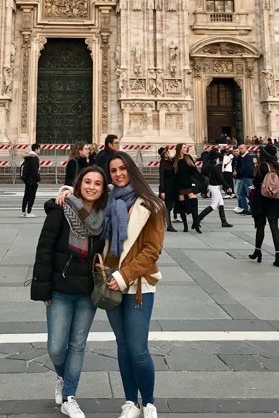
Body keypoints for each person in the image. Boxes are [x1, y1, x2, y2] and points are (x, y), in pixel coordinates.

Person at [31, 166, 108, 418]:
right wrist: (43, 289)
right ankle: (63, 377)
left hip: (87, 290)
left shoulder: (104, 216)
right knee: (55, 348)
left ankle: (69, 396)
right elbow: (44, 251)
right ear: (79, 183)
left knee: (77, 345)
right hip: (61, 289)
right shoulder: (60, 209)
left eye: (98, 183)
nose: (92, 187)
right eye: (87, 182)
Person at [103, 151, 165, 418]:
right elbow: (83, 197)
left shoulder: (151, 205)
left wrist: (123, 275)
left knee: (138, 348)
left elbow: (152, 250)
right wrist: (67, 189)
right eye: (113, 170)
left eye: (122, 168)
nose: (118, 174)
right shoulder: (108, 201)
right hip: (110, 282)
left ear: (131, 169)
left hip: (138, 284)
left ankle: (148, 403)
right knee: (123, 347)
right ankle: (130, 402)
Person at [249, 144, 279, 267]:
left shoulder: (263, 165)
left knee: (260, 226)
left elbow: (256, 181)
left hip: (262, 198)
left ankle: (257, 251)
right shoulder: (276, 166)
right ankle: (278, 255)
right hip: (274, 199)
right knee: (275, 228)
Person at [198, 148, 233, 228]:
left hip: (211, 186)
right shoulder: (215, 167)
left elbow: (203, 172)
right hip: (215, 187)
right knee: (213, 205)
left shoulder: (208, 165)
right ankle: (198, 218)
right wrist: (227, 187)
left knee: (221, 203)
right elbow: (221, 179)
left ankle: (224, 222)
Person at [172, 143, 202, 233]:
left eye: (186, 147)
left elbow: (194, 170)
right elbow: (173, 174)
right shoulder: (175, 160)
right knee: (182, 208)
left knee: (194, 203)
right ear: (180, 149)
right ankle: (185, 226)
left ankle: (196, 224)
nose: (186, 149)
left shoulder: (188, 158)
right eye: (184, 147)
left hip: (188, 185)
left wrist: (201, 179)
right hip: (179, 186)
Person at [157, 147, 176, 232]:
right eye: (166, 152)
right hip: (167, 186)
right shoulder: (163, 163)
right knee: (168, 206)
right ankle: (169, 225)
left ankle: (168, 222)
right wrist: (162, 190)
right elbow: (161, 178)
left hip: (172, 185)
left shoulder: (170, 162)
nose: (168, 153)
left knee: (170, 205)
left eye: (168, 152)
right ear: (163, 155)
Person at [21, 142, 42, 218]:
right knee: (32, 196)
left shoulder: (28, 157)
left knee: (26, 195)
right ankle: (29, 212)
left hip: (27, 179)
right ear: (36, 149)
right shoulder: (34, 158)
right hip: (32, 180)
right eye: (39, 149)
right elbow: (35, 170)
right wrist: (38, 179)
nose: (40, 151)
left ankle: (23, 211)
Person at [233, 143, 254, 215]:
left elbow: (246, 168)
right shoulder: (242, 157)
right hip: (243, 177)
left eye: (241, 148)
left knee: (249, 194)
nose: (240, 150)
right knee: (240, 193)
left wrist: (238, 172)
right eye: (239, 149)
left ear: (245, 148)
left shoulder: (248, 157)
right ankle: (245, 208)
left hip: (247, 177)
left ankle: (252, 208)